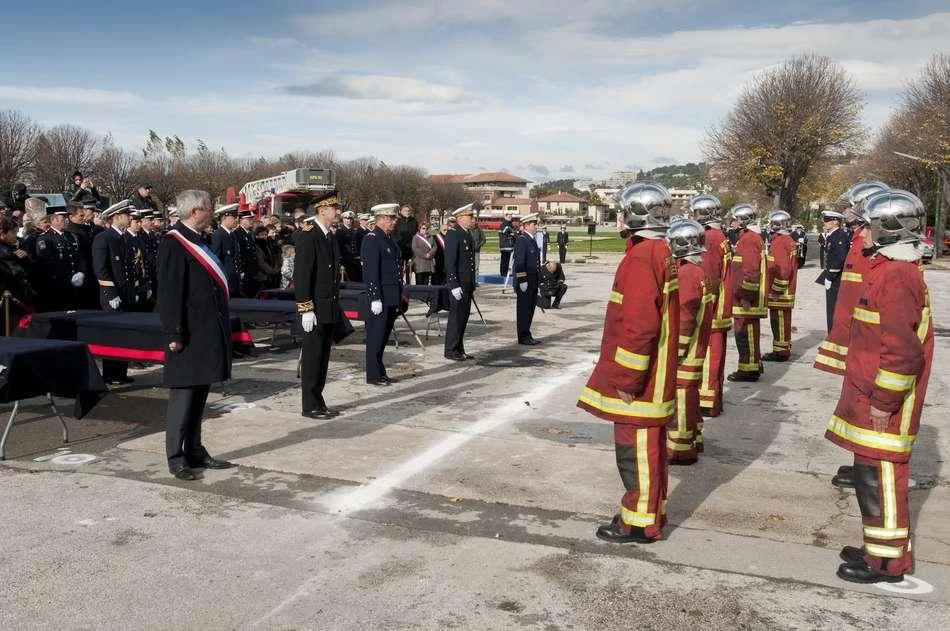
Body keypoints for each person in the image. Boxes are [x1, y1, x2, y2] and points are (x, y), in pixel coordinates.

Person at [824, 189, 932, 584]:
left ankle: (886, 563)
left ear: (888, 230)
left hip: (885, 404)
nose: (862, 233)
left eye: (868, 226)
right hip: (871, 395)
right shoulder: (889, 269)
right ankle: (877, 548)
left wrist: (885, 401)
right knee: (869, 475)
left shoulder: (898, 276)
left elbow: (903, 354)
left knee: (882, 477)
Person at [576, 181, 677, 544]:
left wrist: (627, 378)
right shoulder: (659, 250)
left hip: (642, 381)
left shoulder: (641, 256)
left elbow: (639, 325)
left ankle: (639, 521)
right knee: (648, 449)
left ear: (636, 215)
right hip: (657, 373)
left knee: (636, 449)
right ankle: (650, 510)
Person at [813, 181, 890, 490]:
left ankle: (869, 467)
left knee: (868, 406)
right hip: (857, 336)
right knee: (857, 406)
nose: (847, 213)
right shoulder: (860, 238)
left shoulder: (870, 244)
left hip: (867, 340)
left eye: (854, 208)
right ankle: (863, 462)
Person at [158, 189, 235, 481]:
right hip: (186, 332)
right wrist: (173, 332)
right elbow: (170, 292)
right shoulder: (174, 243)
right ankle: (175, 457)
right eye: (209, 208)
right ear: (195, 212)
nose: (212, 212)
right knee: (183, 396)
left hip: (205, 330)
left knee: (200, 394)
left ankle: (194, 449)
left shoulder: (198, 240)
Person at [666, 219, 714, 463]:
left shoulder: (686, 273)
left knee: (682, 392)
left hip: (688, 348)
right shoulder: (698, 270)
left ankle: (681, 447)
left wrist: (678, 349)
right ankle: (695, 437)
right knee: (692, 392)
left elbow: (684, 316)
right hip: (699, 345)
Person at [294, 191, 343, 419]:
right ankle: (309, 405)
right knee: (313, 359)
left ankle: (318, 400)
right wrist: (306, 308)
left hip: (328, 306)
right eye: (334, 208)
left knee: (322, 358)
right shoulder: (309, 235)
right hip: (314, 308)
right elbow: (303, 275)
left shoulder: (328, 236)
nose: (338, 212)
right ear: (322, 210)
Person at [692, 195, 733, 418]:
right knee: (717, 353)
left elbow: (708, 276)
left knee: (709, 353)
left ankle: (707, 401)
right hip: (721, 305)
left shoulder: (708, 237)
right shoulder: (719, 235)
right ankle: (714, 397)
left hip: (712, 307)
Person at [92, 200, 137, 384]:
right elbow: (101, 269)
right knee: (113, 335)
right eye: (127, 215)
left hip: (125, 293)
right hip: (112, 295)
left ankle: (120, 373)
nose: (130, 218)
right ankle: (110, 374)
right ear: (117, 216)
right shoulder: (104, 238)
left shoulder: (125, 238)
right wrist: (110, 293)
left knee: (124, 335)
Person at [361, 203, 404, 385]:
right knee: (376, 337)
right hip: (381, 296)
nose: (394, 222)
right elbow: (371, 272)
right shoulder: (372, 239)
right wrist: (375, 297)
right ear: (383, 219)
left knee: (383, 336)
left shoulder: (388, 238)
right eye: (392, 218)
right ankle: (373, 374)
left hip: (391, 295)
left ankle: (379, 371)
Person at [728, 204, 767, 383]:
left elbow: (751, 270)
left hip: (746, 297)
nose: (733, 222)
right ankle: (751, 365)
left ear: (743, 220)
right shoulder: (748, 237)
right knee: (745, 332)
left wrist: (746, 296)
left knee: (745, 332)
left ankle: (749, 369)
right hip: (743, 295)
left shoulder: (749, 239)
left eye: (736, 219)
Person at [35, 203, 87, 312]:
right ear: (54, 220)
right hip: (58, 285)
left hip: (75, 284)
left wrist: (81, 272)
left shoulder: (72, 236)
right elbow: (49, 262)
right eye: (63, 218)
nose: (67, 220)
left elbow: (80, 256)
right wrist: (68, 277)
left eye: (67, 217)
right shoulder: (45, 239)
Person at [443, 203, 477, 361]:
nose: (473, 219)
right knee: (456, 317)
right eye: (470, 216)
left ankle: (459, 348)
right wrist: (453, 284)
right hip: (458, 283)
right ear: (461, 218)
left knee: (463, 317)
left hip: (467, 282)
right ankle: (451, 349)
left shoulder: (467, 234)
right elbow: (450, 262)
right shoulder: (453, 234)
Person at [763, 210, 798, 362]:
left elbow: (783, 269)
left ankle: (781, 351)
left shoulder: (780, 241)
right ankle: (783, 347)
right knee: (782, 320)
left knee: (779, 321)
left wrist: (776, 289)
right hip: (785, 289)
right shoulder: (786, 239)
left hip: (780, 291)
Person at [0, 217, 35, 333]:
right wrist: (13, 254)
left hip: (22, 291)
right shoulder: (5, 250)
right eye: (13, 233)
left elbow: (30, 264)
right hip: (9, 292)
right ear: (3, 233)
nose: (15, 235)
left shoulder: (20, 243)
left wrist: (25, 256)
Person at [817, 210, 851, 331]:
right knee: (830, 308)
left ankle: (833, 336)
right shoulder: (833, 235)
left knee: (833, 309)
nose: (824, 223)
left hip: (836, 278)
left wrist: (830, 276)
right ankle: (831, 336)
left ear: (835, 222)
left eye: (827, 220)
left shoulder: (840, 235)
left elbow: (840, 257)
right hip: (832, 275)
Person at [513, 213, 542, 345]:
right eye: (533, 224)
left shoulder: (531, 240)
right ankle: (523, 336)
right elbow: (519, 263)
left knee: (530, 310)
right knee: (524, 310)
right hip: (525, 282)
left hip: (533, 281)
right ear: (525, 226)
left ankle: (527, 333)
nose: (536, 226)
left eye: (536, 224)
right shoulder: (522, 240)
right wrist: (522, 280)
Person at [211, 204, 243, 295]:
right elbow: (215, 261)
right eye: (234, 216)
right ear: (224, 217)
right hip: (225, 281)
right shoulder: (218, 235)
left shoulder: (232, 235)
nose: (237, 219)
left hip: (234, 280)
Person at [336, 210, 363, 282]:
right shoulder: (340, 232)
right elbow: (339, 247)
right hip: (345, 260)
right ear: (343, 220)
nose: (349, 221)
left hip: (355, 259)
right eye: (347, 219)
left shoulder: (356, 231)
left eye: (350, 219)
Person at [393, 205, 418, 283]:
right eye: (405, 210)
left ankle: (408, 284)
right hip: (400, 248)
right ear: (401, 211)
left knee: (409, 270)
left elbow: (416, 234)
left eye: (409, 211)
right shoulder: (397, 221)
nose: (407, 212)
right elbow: (394, 234)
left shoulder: (414, 221)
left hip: (411, 249)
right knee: (400, 269)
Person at [236, 210, 258, 296]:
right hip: (244, 269)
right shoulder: (238, 234)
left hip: (251, 270)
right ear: (241, 220)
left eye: (252, 219)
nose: (251, 221)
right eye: (249, 219)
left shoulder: (250, 233)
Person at [469, 214, 486, 283]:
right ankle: (470, 280)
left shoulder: (479, 230)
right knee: (469, 267)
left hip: (476, 251)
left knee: (476, 267)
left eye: (474, 222)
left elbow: (484, 239)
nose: (473, 223)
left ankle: (476, 281)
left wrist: (479, 245)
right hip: (468, 251)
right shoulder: (468, 230)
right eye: (472, 222)